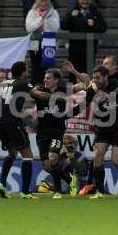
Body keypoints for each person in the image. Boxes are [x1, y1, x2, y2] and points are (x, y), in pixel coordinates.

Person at [0, 61, 51, 199]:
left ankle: (1, 184)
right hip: (12, 123)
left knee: (12, 153)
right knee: (28, 155)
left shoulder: (4, 84)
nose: (28, 72)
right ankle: (25, 192)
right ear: (22, 72)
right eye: (26, 70)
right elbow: (40, 95)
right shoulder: (23, 84)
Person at [82, 65, 118, 199]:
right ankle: (100, 191)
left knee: (116, 160)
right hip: (102, 127)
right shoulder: (92, 90)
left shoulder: (116, 85)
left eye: (98, 77)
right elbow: (88, 104)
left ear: (106, 77)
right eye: (94, 77)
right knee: (98, 155)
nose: (95, 80)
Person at [32, 68, 79, 198]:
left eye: (48, 78)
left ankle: (57, 191)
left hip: (57, 131)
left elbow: (83, 84)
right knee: (47, 166)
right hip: (41, 132)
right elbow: (31, 93)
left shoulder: (64, 91)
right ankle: (69, 179)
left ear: (56, 80)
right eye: (45, 78)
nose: (45, 80)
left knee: (53, 158)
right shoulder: (39, 89)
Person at [61, 0, 107, 82]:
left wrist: (94, 24)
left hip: (89, 49)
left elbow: (103, 28)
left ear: (91, 0)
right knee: (73, 73)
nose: (85, 2)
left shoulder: (95, 12)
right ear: (78, 0)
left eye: (87, 0)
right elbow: (63, 26)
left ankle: (87, 93)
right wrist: (71, 16)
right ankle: (73, 94)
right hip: (75, 49)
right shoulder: (73, 10)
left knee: (88, 73)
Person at [25, 0, 60, 85]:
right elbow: (29, 28)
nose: (43, 3)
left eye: (46, 1)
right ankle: (36, 86)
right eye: (41, 1)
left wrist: (47, 19)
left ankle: (49, 86)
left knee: (48, 66)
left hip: (49, 42)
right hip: (35, 42)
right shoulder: (32, 12)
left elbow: (55, 28)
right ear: (38, 2)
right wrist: (41, 18)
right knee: (35, 65)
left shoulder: (53, 12)